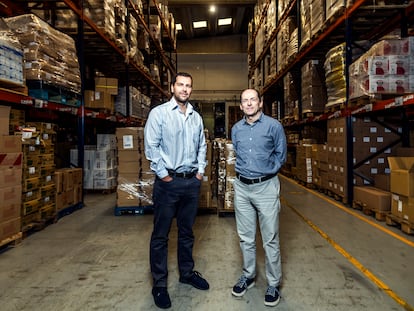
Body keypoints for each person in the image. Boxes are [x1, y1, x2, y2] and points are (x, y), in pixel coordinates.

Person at [144, 72, 209, 309]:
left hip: (191, 183)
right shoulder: (159, 114)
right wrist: (164, 175)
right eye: (180, 84)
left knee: (187, 232)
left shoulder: (196, 117)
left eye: (188, 86)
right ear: (172, 87)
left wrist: (200, 172)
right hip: (168, 183)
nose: (184, 89)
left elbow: (202, 145)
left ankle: (187, 273)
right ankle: (159, 284)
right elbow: (151, 147)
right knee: (161, 235)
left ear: (191, 89)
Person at [230, 88, 287, 307]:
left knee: (270, 238)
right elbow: (238, 153)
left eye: (253, 99)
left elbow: (281, 155)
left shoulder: (274, 126)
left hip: (266, 187)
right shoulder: (236, 129)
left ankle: (273, 283)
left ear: (260, 103)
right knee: (245, 237)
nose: (249, 103)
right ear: (242, 106)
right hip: (243, 188)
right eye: (245, 101)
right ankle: (249, 275)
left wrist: (267, 171)